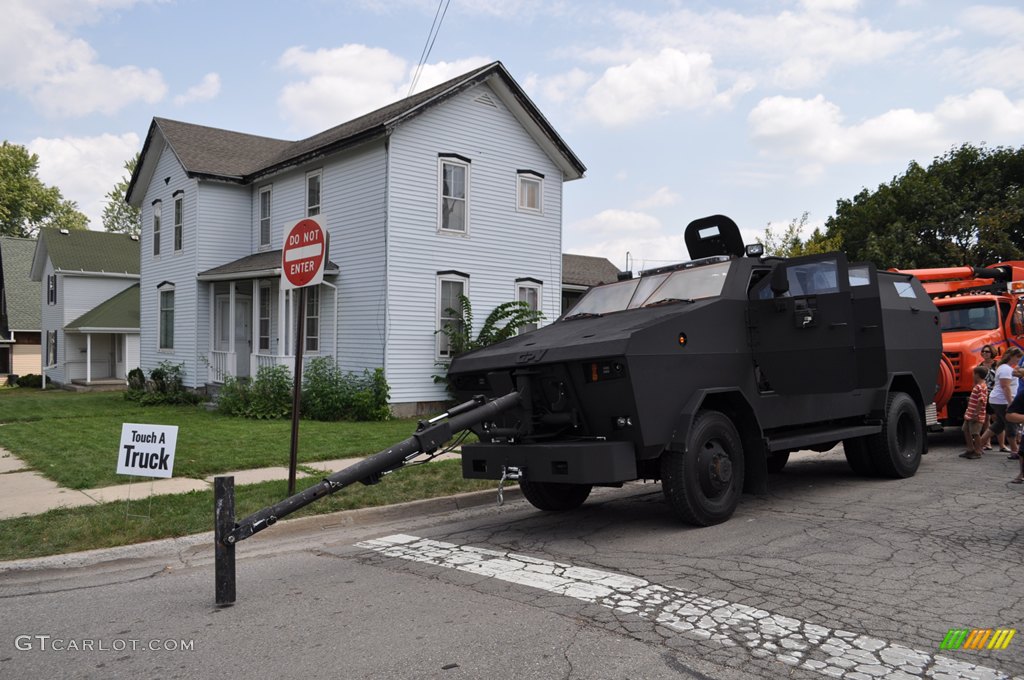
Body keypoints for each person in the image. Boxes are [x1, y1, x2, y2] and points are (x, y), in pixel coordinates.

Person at [977, 347, 1023, 456]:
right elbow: (1005, 387)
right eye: (1018, 357)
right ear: (1012, 356)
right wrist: (1011, 403)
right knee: (1010, 424)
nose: (1019, 360)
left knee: (999, 424)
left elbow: (1017, 374)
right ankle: (1014, 451)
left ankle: (978, 445)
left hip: (998, 400)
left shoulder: (1006, 368)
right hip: (1002, 401)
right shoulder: (1005, 369)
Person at [961, 365, 989, 459]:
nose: (973, 376)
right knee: (966, 429)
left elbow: (981, 401)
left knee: (975, 433)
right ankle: (970, 449)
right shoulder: (979, 385)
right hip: (970, 414)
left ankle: (977, 451)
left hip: (975, 414)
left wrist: (976, 413)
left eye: (974, 374)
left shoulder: (980, 387)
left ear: (977, 375)